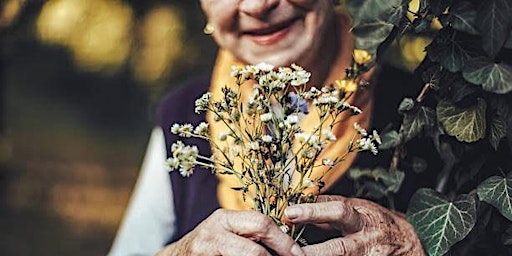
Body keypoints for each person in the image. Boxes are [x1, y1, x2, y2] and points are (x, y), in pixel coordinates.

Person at [108, 1, 427, 255]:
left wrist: (415, 247)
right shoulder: (183, 113)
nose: (258, 6)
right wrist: (182, 253)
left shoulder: (424, 107)